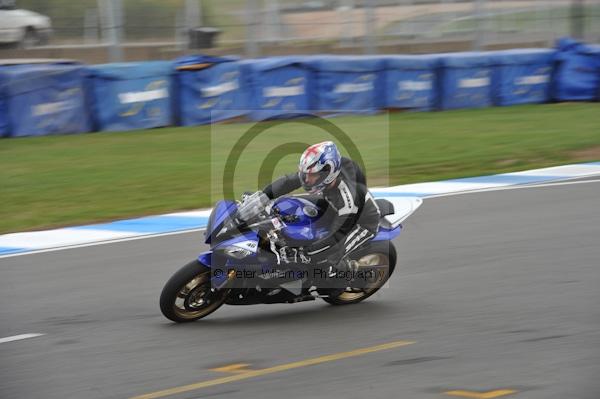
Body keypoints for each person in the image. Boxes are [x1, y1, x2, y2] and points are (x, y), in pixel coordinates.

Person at [261, 141, 381, 270]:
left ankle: (349, 270)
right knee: (292, 205)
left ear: (328, 174)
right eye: (305, 174)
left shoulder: (347, 199)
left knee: (327, 261)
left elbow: (335, 239)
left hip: (361, 223)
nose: (306, 179)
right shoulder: (323, 171)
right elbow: (288, 182)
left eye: (312, 175)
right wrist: (262, 196)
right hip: (334, 205)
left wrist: (301, 254)